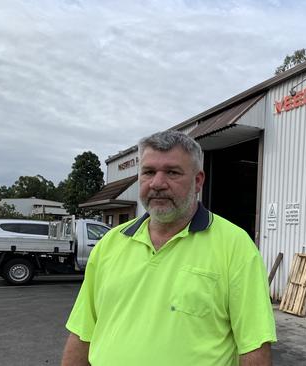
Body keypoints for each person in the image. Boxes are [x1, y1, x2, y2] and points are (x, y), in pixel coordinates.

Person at [61, 130, 276, 366]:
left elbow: (254, 346)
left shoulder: (235, 246)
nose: (158, 183)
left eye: (172, 172)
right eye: (149, 172)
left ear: (198, 181)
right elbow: (82, 333)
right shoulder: (110, 244)